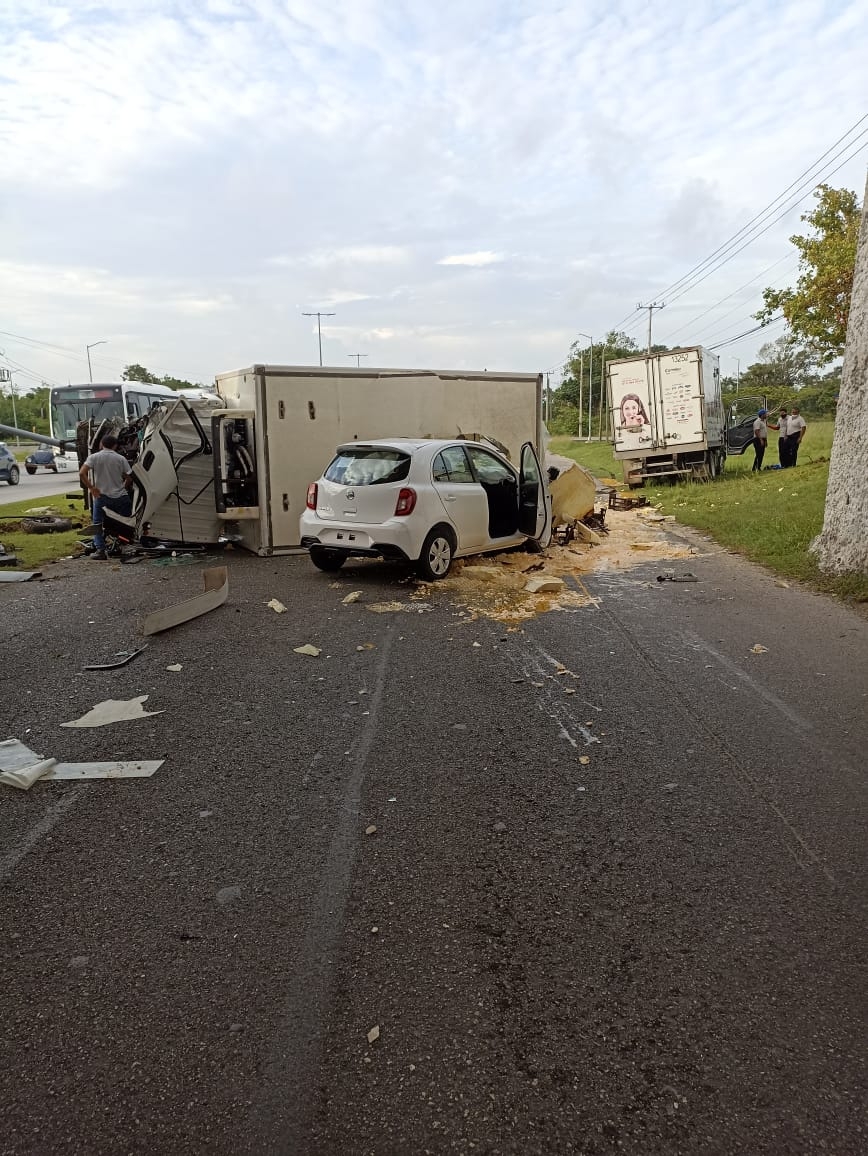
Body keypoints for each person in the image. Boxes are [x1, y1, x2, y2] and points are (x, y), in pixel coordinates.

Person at [79, 434, 133, 560]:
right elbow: (129, 477)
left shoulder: (94, 457)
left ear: (101, 444)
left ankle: (100, 550)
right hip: (121, 497)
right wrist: (123, 487)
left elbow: (82, 473)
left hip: (102, 497)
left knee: (98, 523)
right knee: (124, 523)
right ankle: (121, 546)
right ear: (115, 446)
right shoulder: (121, 459)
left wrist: (92, 488)